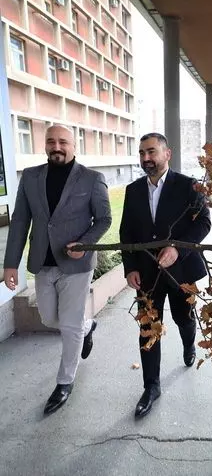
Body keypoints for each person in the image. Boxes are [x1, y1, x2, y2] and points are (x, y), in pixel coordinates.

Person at [3, 124, 112, 415]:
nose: (57, 147)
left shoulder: (92, 178)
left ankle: (65, 382)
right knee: (50, 318)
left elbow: (104, 219)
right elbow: (20, 221)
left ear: (73, 145)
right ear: (45, 145)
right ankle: (88, 327)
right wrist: (10, 263)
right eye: (51, 141)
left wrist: (85, 244)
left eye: (63, 142)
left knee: (69, 325)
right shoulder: (30, 177)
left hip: (76, 265)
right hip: (43, 262)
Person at [120, 132, 211, 418]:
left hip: (181, 271)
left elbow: (204, 223)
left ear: (167, 154)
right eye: (142, 153)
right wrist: (130, 267)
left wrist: (177, 249)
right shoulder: (133, 190)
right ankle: (151, 387)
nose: (146, 158)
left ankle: (189, 343)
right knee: (148, 328)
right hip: (146, 274)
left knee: (184, 317)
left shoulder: (189, 186)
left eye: (151, 152)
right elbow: (126, 232)